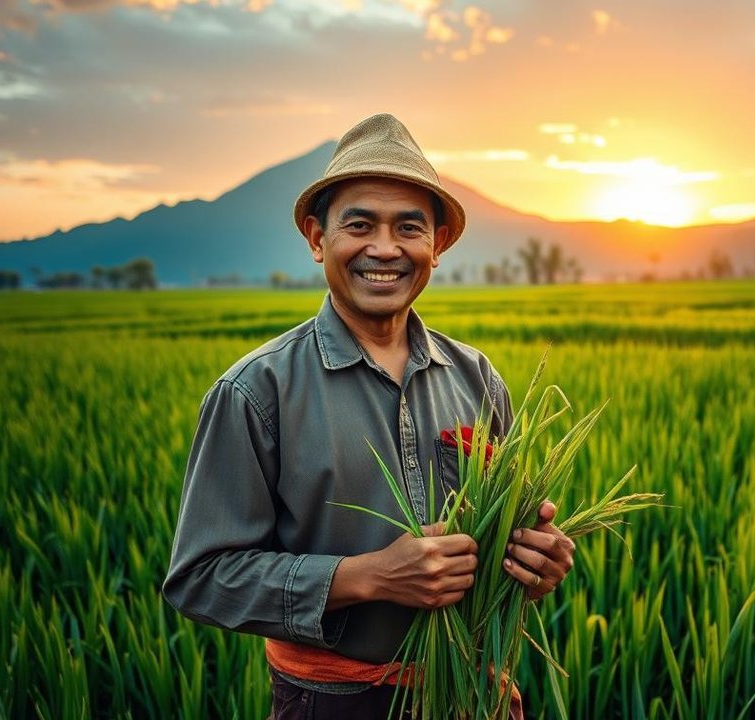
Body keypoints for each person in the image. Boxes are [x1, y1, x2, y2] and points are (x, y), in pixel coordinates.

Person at [162, 114, 575, 719]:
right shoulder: (258, 390)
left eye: (409, 227)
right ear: (316, 237)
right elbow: (201, 577)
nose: (385, 248)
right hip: (329, 703)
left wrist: (535, 564)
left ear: (436, 245)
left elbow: (504, 547)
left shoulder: (477, 378)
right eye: (359, 224)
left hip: (470, 695)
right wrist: (367, 577)